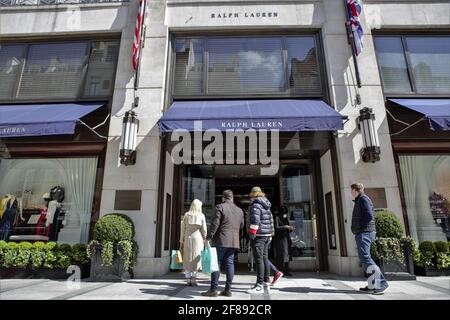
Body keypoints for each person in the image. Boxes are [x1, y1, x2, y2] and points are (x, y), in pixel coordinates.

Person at [202, 190, 244, 298]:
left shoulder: (220, 207)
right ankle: (228, 290)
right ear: (232, 198)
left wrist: (208, 238)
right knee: (230, 263)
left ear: (223, 198)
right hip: (234, 241)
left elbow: (215, 224)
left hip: (221, 240)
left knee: (217, 263)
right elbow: (242, 225)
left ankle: (213, 289)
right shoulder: (239, 210)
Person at [351, 183, 390, 295]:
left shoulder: (363, 199)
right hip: (363, 232)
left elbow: (369, 215)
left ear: (355, 190)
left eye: (352, 190)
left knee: (366, 258)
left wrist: (360, 227)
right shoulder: (360, 200)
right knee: (364, 258)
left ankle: (382, 283)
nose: (351, 193)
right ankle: (373, 284)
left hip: (365, 233)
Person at [247, 186, 274, 294]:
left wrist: (252, 234)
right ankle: (266, 283)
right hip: (267, 234)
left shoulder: (255, 204)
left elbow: (255, 221)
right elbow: (270, 219)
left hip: (259, 235)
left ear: (254, 194)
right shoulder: (266, 203)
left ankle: (259, 285)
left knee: (259, 260)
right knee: (264, 258)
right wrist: (271, 233)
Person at [180, 199, 207, 287]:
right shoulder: (201, 215)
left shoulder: (186, 215)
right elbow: (204, 229)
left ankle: (188, 279)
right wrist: (205, 239)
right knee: (196, 258)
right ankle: (194, 279)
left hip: (187, 238)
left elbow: (182, 229)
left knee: (187, 258)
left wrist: (181, 240)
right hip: (198, 238)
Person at [274, 206, 294, 276]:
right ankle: (279, 271)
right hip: (280, 239)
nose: (285, 214)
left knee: (287, 254)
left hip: (286, 238)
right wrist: (285, 227)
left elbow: (287, 227)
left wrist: (290, 229)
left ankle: (286, 270)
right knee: (282, 255)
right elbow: (276, 228)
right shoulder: (277, 218)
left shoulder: (285, 219)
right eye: (284, 212)